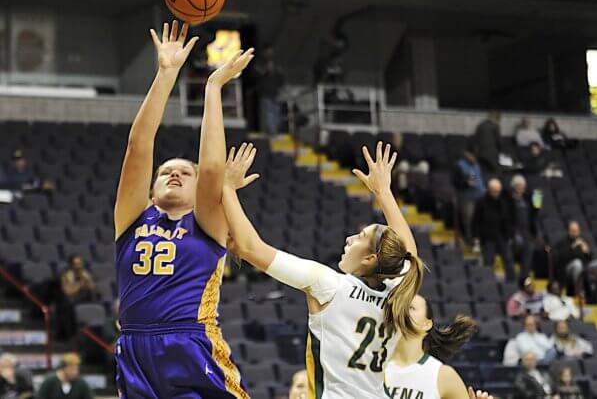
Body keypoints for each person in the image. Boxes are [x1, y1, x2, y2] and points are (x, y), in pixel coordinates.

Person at [113, 21, 254, 398]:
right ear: (153, 188)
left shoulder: (207, 222)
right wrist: (165, 74)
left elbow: (211, 169)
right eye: (165, 172)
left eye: (183, 172)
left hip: (191, 344)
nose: (174, 174)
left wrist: (212, 88)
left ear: (199, 190)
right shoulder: (132, 218)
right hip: (135, 348)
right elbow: (139, 146)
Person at [222, 141, 424, 399]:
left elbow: (251, 248)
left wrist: (228, 188)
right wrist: (383, 192)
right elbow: (409, 253)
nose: (349, 238)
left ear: (370, 258)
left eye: (359, 236)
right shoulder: (395, 293)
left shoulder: (329, 285)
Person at [383, 294, 494, 399]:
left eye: (411, 308)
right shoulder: (371, 367)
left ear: (427, 324)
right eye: (398, 307)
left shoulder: (443, 375)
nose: (402, 311)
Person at [472, 178, 515, 281]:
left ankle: (511, 282)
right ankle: (488, 283)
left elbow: (509, 218)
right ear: (489, 190)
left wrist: (509, 234)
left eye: (498, 192)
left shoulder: (503, 202)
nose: (496, 194)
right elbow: (475, 221)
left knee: (508, 259)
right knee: (488, 261)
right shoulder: (481, 202)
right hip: (487, 237)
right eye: (494, 191)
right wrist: (476, 237)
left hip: (502, 235)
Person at [452, 143, 485, 246]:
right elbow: (455, 182)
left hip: (480, 196)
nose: (474, 157)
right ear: (466, 154)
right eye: (472, 155)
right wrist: (466, 183)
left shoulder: (477, 165)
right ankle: (470, 240)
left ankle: (480, 240)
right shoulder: (459, 165)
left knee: (482, 219)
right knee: (469, 219)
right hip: (467, 197)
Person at [57, 254, 96, 340]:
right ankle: (71, 336)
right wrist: (80, 285)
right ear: (71, 265)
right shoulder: (67, 276)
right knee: (68, 308)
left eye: (80, 263)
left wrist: (87, 282)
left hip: (84, 300)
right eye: (77, 264)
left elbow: (92, 288)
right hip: (70, 301)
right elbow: (68, 292)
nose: (79, 266)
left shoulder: (85, 274)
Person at [507, 175, 539, 279]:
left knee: (529, 249)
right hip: (514, 231)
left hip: (526, 231)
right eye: (519, 187)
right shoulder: (509, 200)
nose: (521, 189)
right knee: (514, 246)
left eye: (522, 187)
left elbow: (536, 211)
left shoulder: (527, 199)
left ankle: (524, 276)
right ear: (514, 187)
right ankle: (511, 275)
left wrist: (538, 199)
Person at [554, 221, 595, 293]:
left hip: (583, 267)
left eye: (576, 230)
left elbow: (590, 258)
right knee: (577, 263)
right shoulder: (563, 242)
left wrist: (587, 251)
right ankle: (579, 291)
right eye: (573, 231)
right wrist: (573, 246)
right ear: (569, 231)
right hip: (567, 269)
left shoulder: (583, 240)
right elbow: (562, 258)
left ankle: (593, 292)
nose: (575, 233)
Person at [255, 46, 285, 135]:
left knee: (277, 113)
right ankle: (272, 132)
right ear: (263, 52)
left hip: (275, 92)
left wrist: (278, 72)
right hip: (265, 92)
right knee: (268, 113)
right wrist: (266, 70)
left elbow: (281, 78)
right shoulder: (259, 63)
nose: (269, 54)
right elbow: (256, 75)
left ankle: (275, 131)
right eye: (267, 52)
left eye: (271, 52)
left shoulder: (276, 64)